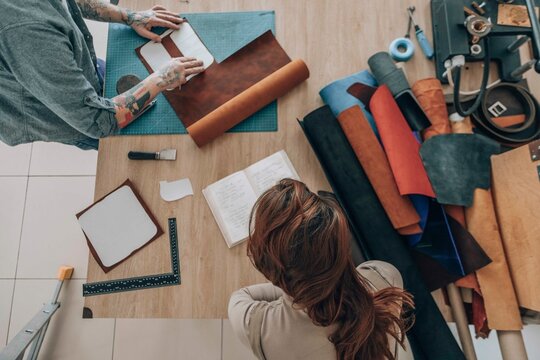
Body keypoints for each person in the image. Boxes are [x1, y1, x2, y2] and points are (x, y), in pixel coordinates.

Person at [229, 179, 414, 360]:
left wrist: (299, 285)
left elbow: (241, 296)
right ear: (340, 246)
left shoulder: (258, 327)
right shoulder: (382, 276)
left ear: (269, 267)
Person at [0, 0, 204, 150]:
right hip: (66, 115)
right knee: (130, 152)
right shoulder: (29, 35)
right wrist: (162, 79)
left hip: (70, 68)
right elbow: (97, 121)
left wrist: (128, 16)